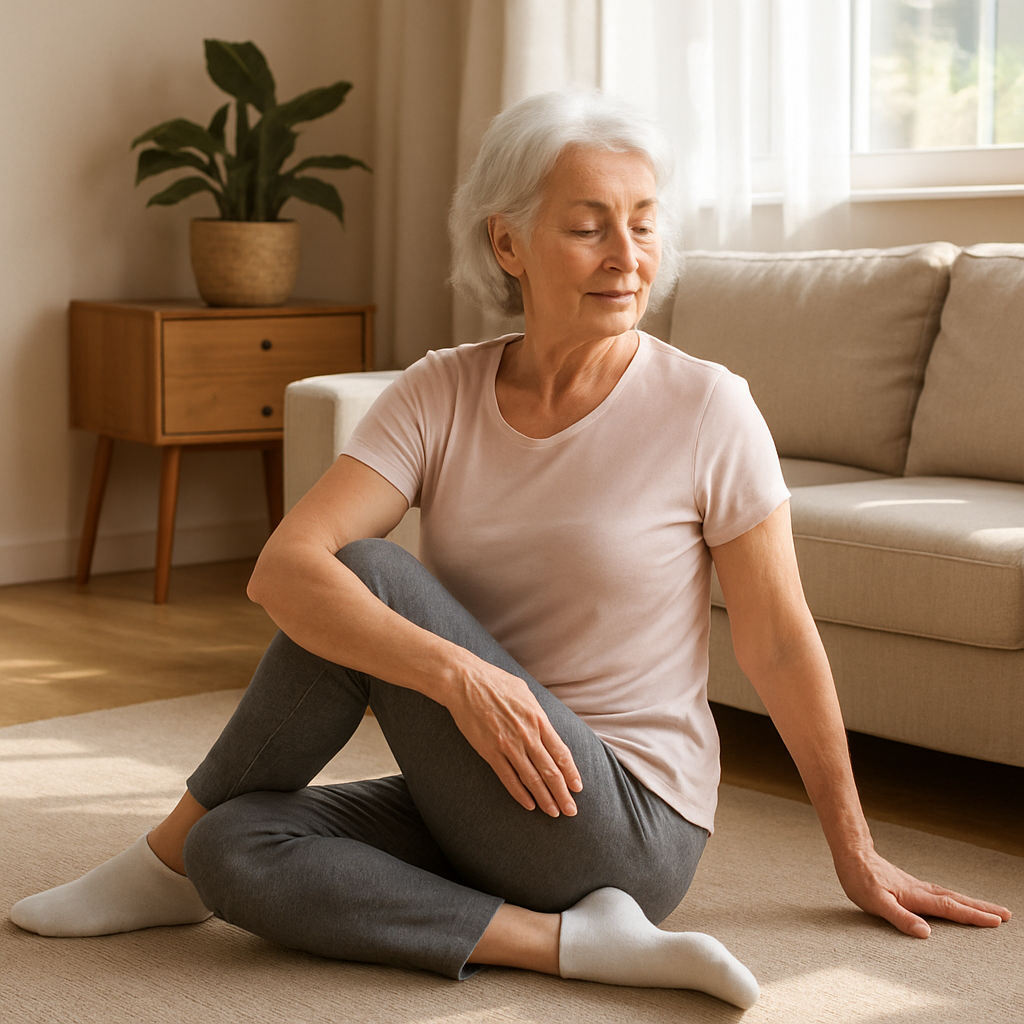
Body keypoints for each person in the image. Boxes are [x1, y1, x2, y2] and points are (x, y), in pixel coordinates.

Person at [11, 91, 1010, 1011]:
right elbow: (280, 568)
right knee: (237, 846)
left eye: (644, 220)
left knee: (368, 573)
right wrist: (456, 677)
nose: (626, 253)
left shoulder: (708, 406)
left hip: (624, 816)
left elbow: (780, 640)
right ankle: (568, 943)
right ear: (508, 243)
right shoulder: (440, 389)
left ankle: (157, 862)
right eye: (587, 225)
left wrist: (855, 848)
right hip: (483, 794)